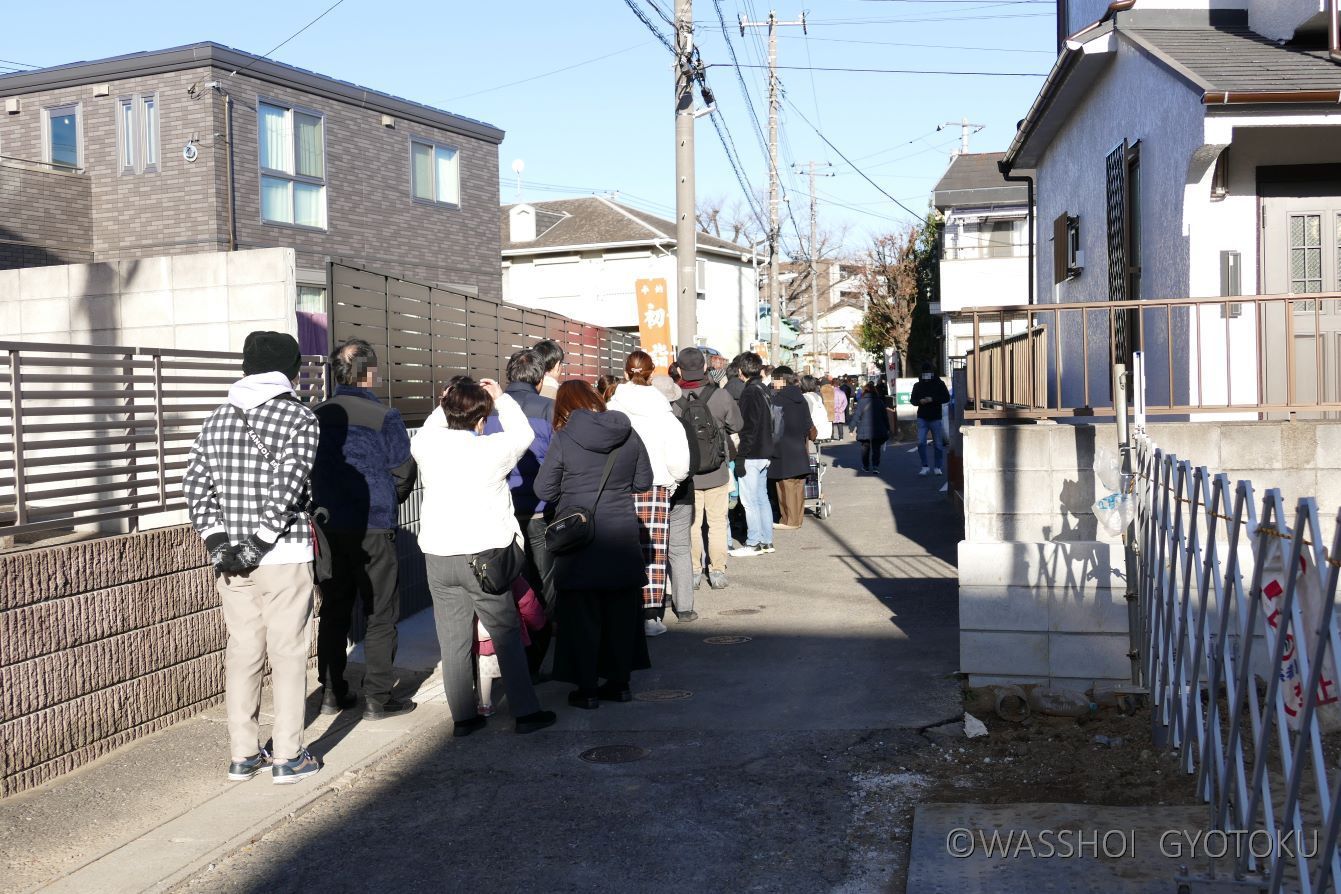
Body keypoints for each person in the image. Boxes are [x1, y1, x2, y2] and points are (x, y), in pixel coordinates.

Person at [183, 331, 321, 784]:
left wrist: (220, 544)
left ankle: (243, 755)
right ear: (291, 367)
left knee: (242, 652)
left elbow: (195, 486)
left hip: (231, 563)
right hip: (282, 554)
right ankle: (288, 755)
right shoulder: (299, 418)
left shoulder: (217, 418)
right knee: (287, 653)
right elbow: (287, 488)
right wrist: (259, 543)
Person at [412, 377, 557, 737]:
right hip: (485, 555)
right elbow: (522, 435)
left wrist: (446, 399)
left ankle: (464, 717)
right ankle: (524, 712)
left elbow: (435, 423)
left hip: (438, 554)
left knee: (453, 638)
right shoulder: (491, 449)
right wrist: (502, 398)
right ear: (481, 420)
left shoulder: (426, 445)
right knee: (505, 632)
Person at [310, 338, 417, 720]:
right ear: (368, 374)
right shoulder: (384, 416)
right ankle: (377, 696)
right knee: (380, 611)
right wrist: (388, 498)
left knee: (335, 609)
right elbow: (404, 472)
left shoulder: (316, 414)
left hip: (328, 526)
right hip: (374, 523)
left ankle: (331, 693)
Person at [535, 381, 654, 709]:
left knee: (581, 617)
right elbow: (644, 482)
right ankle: (620, 684)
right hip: (620, 537)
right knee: (620, 614)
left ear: (565, 406)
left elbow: (544, 489)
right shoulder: (627, 432)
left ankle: (586, 690)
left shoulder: (565, 438)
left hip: (580, 539)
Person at [481, 349, 557, 676]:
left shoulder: (486, 409)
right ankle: (539, 658)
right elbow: (558, 460)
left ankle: (512, 658)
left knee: (510, 587)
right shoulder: (548, 409)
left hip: (501, 513)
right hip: (540, 511)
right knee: (544, 585)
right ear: (540, 381)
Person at [608, 351, 691, 637]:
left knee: (618, 549)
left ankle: (621, 611)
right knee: (653, 551)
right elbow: (680, 460)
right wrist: (673, 481)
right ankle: (650, 614)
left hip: (616, 487)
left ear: (625, 371)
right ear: (651, 373)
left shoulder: (611, 407)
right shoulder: (663, 410)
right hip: (655, 486)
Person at [676, 346, 742, 591]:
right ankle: (717, 572)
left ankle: (693, 571)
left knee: (692, 524)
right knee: (716, 523)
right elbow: (737, 424)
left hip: (687, 474)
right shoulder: (720, 395)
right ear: (705, 367)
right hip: (717, 472)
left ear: (679, 369)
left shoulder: (673, 398)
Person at [653, 373, 697, 621]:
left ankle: (657, 600)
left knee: (654, 548)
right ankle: (685, 608)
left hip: (651, 493)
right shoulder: (682, 425)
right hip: (682, 495)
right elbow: (695, 463)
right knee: (679, 550)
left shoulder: (642, 426)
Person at [476, 577, 548, 716]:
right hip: (508, 633)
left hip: (483, 633)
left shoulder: (472, 575)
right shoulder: (513, 576)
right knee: (514, 669)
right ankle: (519, 705)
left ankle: (484, 704)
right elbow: (528, 602)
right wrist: (539, 623)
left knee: (484, 673)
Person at [728, 352, 775, 557]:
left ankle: (754, 541)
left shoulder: (749, 392)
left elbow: (747, 428)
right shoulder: (763, 389)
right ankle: (767, 540)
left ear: (740, 370)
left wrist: (740, 457)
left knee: (749, 501)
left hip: (752, 454)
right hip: (765, 451)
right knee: (762, 498)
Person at [768, 367, 816, 530]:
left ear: (780, 380)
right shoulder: (801, 398)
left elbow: (774, 426)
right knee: (797, 486)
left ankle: (789, 521)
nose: (773, 383)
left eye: (774, 379)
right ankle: (797, 519)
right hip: (799, 447)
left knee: (784, 487)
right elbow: (807, 423)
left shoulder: (777, 399)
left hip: (782, 448)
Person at [911, 361, 952, 476]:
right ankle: (925, 466)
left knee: (938, 444)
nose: (927, 375)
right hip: (922, 417)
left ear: (932, 373)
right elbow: (913, 400)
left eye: (928, 372)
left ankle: (938, 466)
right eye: (925, 373)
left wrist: (932, 399)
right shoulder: (917, 385)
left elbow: (946, 398)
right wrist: (920, 401)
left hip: (935, 417)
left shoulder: (939, 384)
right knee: (920, 442)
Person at [854, 382, 892, 473]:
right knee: (876, 448)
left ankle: (866, 466)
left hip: (864, 428)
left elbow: (857, 416)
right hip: (877, 428)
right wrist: (887, 428)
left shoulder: (861, 401)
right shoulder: (879, 401)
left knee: (865, 447)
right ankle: (875, 466)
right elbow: (885, 416)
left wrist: (853, 427)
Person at [801, 375, 833, 443]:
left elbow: (806, 417)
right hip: (825, 431)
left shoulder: (805, 397)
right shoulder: (818, 396)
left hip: (814, 433)